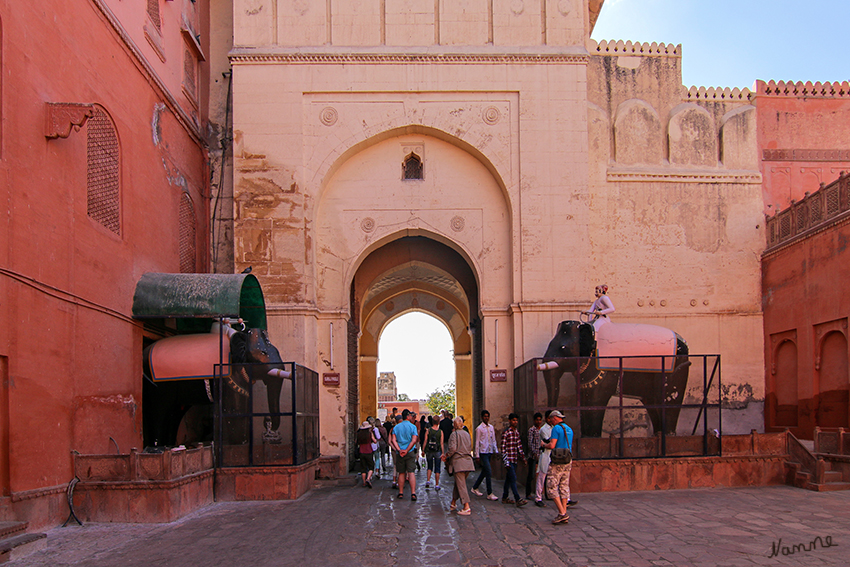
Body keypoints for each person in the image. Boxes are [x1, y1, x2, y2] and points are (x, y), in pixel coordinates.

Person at [543, 410, 574, 524]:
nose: (550, 421)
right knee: (564, 486)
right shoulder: (569, 429)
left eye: (551, 419)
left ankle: (562, 512)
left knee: (551, 486)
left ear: (555, 418)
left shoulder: (556, 429)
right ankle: (563, 511)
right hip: (568, 460)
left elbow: (552, 445)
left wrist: (543, 445)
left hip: (558, 461)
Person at [442, 416, 474, 515]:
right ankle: (453, 502)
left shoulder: (454, 434)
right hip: (468, 462)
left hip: (458, 463)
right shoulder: (467, 434)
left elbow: (452, 448)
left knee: (462, 485)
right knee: (460, 483)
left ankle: (466, 506)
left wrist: (446, 456)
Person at [500, 413, 527, 507]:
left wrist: (523, 458)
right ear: (510, 421)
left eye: (516, 420)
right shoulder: (506, 432)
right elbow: (503, 448)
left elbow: (519, 446)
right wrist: (505, 461)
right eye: (513, 420)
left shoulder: (516, 432)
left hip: (514, 459)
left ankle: (504, 497)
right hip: (509, 459)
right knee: (513, 478)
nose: (515, 422)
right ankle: (517, 498)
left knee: (509, 479)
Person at [390, 409, 419, 500]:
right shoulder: (412, 427)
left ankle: (401, 492)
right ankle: (413, 493)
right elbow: (414, 440)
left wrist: (399, 449)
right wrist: (407, 450)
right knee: (411, 472)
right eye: (410, 415)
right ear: (407, 416)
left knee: (401, 473)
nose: (411, 417)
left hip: (400, 453)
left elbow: (393, 440)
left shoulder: (396, 427)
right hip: (409, 452)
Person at [471, 410, 499, 500]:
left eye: (488, 416)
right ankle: (489, 492)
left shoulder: (491, 427)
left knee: (485, 471)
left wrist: (496, 450)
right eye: (485, 416)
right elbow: (477, 442)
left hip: (489, 451)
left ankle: (475, 487)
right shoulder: (479, 429)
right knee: (488, 471)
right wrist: (477, 455)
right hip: (483, 452)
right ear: (482, 417)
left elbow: (493, 439)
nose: (486, 418)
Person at [534, 410, 554, 507]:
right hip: (545, 454)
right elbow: (549, 441)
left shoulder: (555, 428)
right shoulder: (543, 429)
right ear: (546, 418)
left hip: (553, 454)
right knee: (542, 477)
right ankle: (538, 497)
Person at [525, 412, 543, 501]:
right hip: (533, 456)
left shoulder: (542, 430)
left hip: (541, 455)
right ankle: (528, 493)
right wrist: (535, 453)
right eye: (537, 420)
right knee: (531, 475)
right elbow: (530, 443)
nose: (538, 421)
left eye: (540, 420)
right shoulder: (531, 430)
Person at [424, 416, 444, 490]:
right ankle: (437, 484)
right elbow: (441, 443)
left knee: (429, 466)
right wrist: (443, 452)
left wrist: (423, 450)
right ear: (439, 422)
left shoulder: (428, 430)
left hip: (429, 450)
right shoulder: (440, 432)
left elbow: (425, 441)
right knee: (437, 467)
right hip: (437, 450)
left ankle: (428, 481)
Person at [356, 421, 377, 488]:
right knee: (371, 466)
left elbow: (356, 442)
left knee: (363, 467)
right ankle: (368, 478)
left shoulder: (359, 434)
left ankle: (364, 482)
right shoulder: (369, 434)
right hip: (368, 451)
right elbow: (375, 441)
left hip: (361, 452)